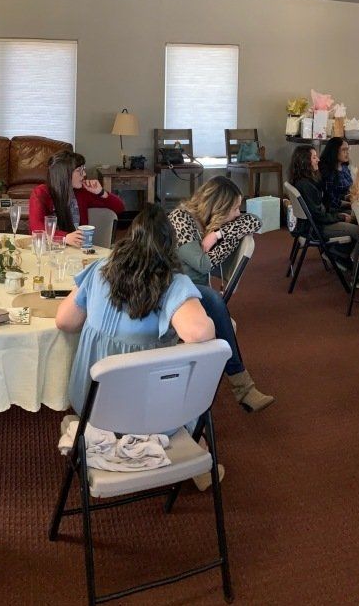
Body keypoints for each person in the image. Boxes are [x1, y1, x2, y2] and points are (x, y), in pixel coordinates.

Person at [57, 207, 217, 413]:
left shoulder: (99, 268)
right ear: (170, 246)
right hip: (143, 411)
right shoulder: (173, 283)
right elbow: (200, 333)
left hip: (88, 402)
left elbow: (64, 321)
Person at [166, 176, 275, 411]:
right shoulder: (181, 219)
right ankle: (242, 386)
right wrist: (219, 235)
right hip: (170, 287)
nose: (238, 213)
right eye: (234, 208)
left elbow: (254, 220)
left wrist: (218, 234)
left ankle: (243, 387)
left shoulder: (210, 224)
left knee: (213, 300)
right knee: (215, 300)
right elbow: (203, 265)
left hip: (191, 289)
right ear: (218, 207)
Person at [29, 151, 125, 245]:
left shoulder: (82, 192)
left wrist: (101, 192)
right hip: (49, 250)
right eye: (79, 170)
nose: (84, 174)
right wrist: (65, 237)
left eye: (83, 169)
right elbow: (37, 228)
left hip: (78, 251)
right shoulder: (40, 193)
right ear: (64, 174)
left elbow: (119, 207)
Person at [290, 143, 359, 254]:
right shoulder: (306, 185)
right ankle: (348, 262)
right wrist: (340, 217)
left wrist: (340, 213)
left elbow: (321, 207)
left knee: (356, 219)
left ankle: (339, 254)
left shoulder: (304, 180)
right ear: (304, 161)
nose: (318, 159)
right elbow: (319, 216)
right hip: (316, 228)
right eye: (314, 157)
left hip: (311, 225)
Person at [318, 137, 355, 216]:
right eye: (344, 150)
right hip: (334, 210)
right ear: (334, 151)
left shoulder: (344, 167)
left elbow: (346, 191)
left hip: (347, 203)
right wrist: (349, 204)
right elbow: (330, 201)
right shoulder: (328, 172)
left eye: (348, 149)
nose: (347, 153)